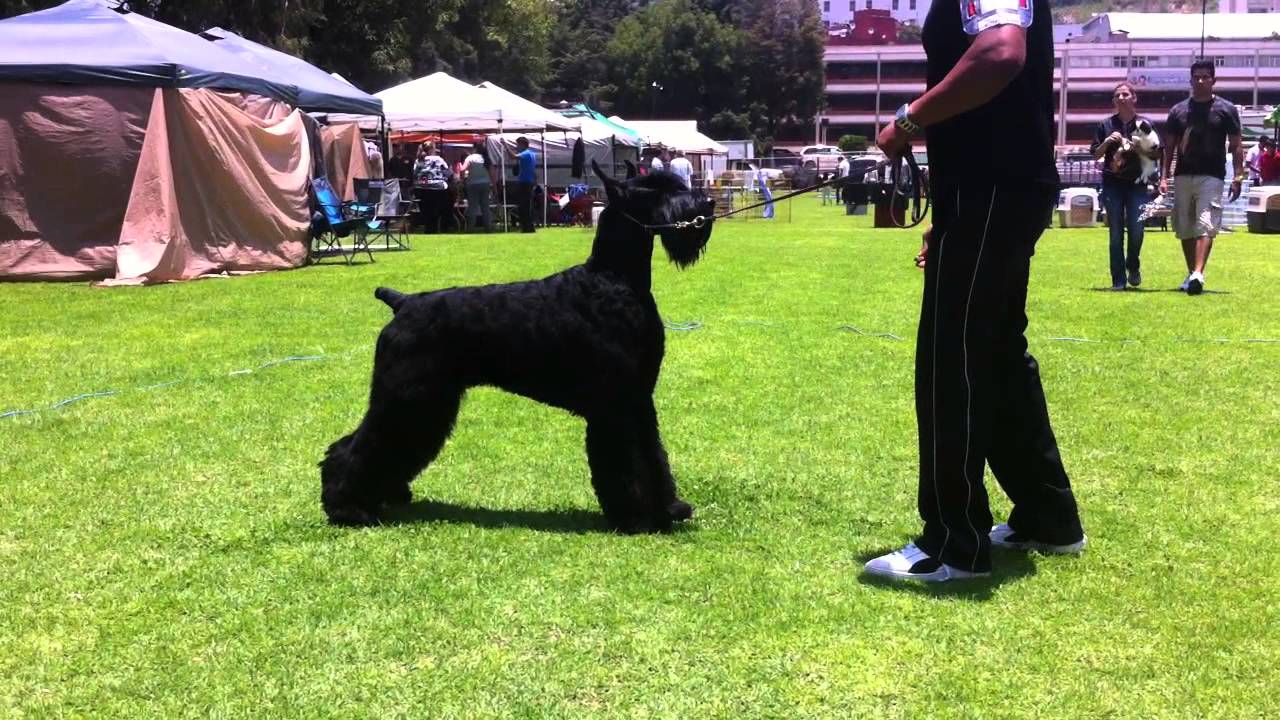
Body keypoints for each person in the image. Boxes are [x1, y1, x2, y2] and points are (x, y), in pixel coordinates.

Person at [866, 0, 1086, 582]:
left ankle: (953, 544)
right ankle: (1048, 517)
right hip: (992, 192)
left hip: (993, 189)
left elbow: (1000, 53)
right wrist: (950, 214)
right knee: (999, 355)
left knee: (952, 353)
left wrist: (910, 120)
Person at [1160, 60, 1243, 295]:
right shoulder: (1178, 111)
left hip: (1212, 176)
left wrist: (1238, 176)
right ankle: (1192, 274)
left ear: (1213, 80)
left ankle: (1198, 272)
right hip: (1183, 175)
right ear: (1190, 80)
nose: (1200, 80)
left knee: (1206, 222)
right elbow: (1169, 147)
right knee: (1185, 227)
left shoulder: (1226, 109)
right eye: (1196, 77)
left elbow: (1237, 145)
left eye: (1205, 76)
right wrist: (1163, 177)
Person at [1091, 82, 1159, 290]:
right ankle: (1118, 280)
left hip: (1137, 185)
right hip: (1113, 184)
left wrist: (1139, 148)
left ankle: (1133, 264)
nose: (1121, 98)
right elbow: (1095, 154)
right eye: (1117, 95)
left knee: (1137, 229)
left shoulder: (1145, 125)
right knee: (1115, 233)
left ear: (1134, 98)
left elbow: (1157, 153)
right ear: (1113, 100)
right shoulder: (1105, 125)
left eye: (1125, 94)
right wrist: (1107, 142)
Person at [413, 142, 453, 234]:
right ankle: (442, 227)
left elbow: (414, 174)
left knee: (426, 211)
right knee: (439, 209)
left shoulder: (418, 160)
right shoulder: (438, 159)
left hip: (421, 187)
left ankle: (429, 229)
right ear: (432, 149)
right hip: (438, 187)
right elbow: (448, 173)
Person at [506, 136, 537, 233]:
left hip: (524, 182)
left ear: (523, 144)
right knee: (528, 205)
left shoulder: (526, 153)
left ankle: (526, 227)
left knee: (523, 206)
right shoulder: (532, 154)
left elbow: (513, 157)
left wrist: (505, 146)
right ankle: (529, 227)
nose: (517, 146)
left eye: (518, 144)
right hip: (530, 181)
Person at [461, 141, 493, 231]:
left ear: (474, 148)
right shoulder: (486, 158)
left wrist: (463, 178)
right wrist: (494, 186)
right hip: (485, 184)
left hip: (472, 184)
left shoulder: (470, 158)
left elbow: (463, 169)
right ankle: (488, 228)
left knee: (472, 207)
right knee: (485, 207)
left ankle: (470, 228)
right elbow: (492, 173)